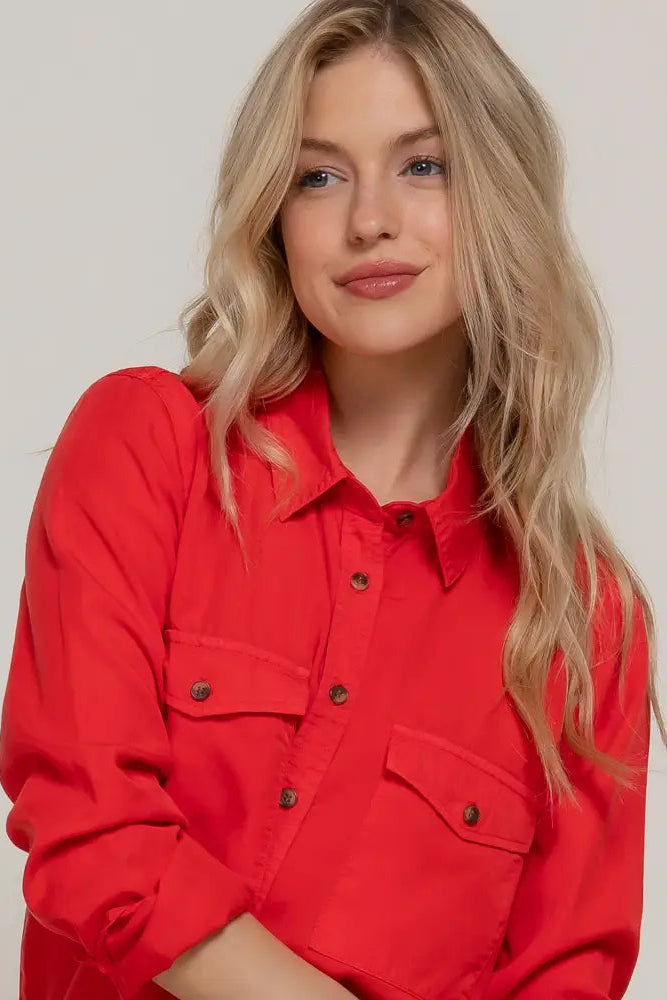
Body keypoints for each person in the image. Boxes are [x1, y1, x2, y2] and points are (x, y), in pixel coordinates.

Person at [0, 1, 663, 998]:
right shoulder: (148, 449)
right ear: (274, 216)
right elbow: (92, 832)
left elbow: (565, 978)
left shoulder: (584, 625)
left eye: (423, 165)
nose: (368, 219)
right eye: (319, 176)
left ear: (502, 193)